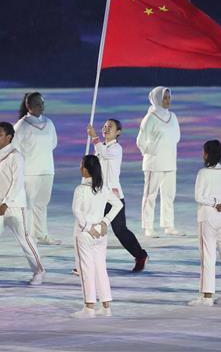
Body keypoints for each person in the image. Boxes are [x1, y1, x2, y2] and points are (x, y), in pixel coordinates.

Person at [0, 123, 45, 287]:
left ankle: (39, 271)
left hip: (14, 206)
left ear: (9, 137)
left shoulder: (16, 156)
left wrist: (6, 203)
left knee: (25, 240)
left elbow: (17, 183)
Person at [88, 119, 148, 272]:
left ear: (118, 132)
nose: (106, 128)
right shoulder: (100, 148)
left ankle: (140, 255)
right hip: (99, 195)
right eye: (105, 126)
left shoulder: (116, 149)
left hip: (114, 197)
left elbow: (104, 153)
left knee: (120, 230)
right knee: (92, 227)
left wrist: (94, 138)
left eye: (110, 127)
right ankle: (86, 263)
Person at [188, 140, 221, 306]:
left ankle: (207, 296)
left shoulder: (203, 173)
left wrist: (214, 203)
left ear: (206, 154)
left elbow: (198, 197)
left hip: (209, 217)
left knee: (208, 257)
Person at [71, 155, 123, 318]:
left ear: (86, 169)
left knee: (86, 269)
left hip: (86, 233)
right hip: (101, 234)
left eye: (81, 165)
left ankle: (89, 307)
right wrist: (105, 222)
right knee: (101, 268)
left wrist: (88, 226)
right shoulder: (103, 188)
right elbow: (118, 204)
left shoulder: (80, 189)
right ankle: (106, 307)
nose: (80, 168)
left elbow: (76, 211)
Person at [14, 92, 60, 245]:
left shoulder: (49, 123)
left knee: (42, 204)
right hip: (30, 172)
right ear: (29, 106)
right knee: (28, 205)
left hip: (47, 170)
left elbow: (53, 143)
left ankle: (41, 235)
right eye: (37, 104)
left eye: (42, 104)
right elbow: (15, 148)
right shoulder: (21, 125)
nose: (41, 107)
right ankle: (28, 236)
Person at [137, 87, 181, 237]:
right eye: (164, 98)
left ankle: (168, 225)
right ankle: (148, 226)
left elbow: (177, 137)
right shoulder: (150, 118)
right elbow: (140, 141)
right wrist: (152, 151)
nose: (168, 101)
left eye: (169, 97)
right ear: (157, 99)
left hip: (170, 162)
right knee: (150, 195)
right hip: (154, 164)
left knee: (169, 195)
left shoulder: (173, 116)